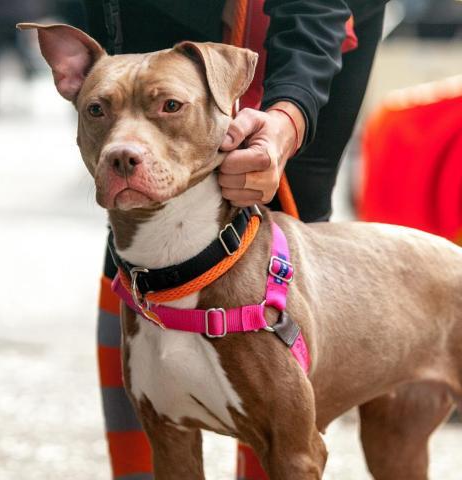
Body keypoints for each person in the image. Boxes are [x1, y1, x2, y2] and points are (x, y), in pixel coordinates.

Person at [83, 1, 388, 478]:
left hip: (317, 16)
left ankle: (275, 432)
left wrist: (289, 121)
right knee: (142, 230)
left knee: (293, 212)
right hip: (162, 12)